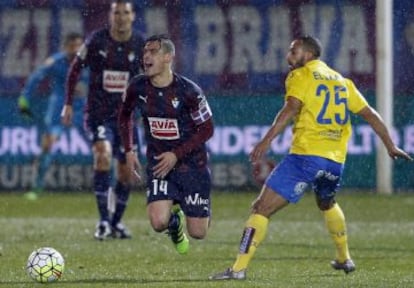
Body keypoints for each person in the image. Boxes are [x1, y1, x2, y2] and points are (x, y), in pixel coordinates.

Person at [209, 35, 413, 280]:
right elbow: (370, 114)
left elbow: (290, 108)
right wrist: (390, 145)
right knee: (326, 202)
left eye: (293, 51)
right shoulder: (341, 81)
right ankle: (344, 258)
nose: (289, 57)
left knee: (260, 208)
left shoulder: (301, 75)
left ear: (308, 54)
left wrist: (266, 140)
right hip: (335, 162)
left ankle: (238, 269)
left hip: (305, 157)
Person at [118, 34, 214, 255]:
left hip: (192, 164)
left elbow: (207, 129)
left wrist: (176, 154)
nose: (146, 57)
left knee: (199, 232)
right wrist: (129, 150)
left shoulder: (189, 91)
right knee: (158, 222)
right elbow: (124, 116)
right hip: (160, 163)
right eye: (145, 52)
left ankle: (193, 208)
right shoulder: (137, 87)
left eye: (153, 52)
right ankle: (174, 224)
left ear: (168, 57)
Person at [61, 0, 145, 240]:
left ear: (132, 16)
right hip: (99, 114)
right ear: (110, 16)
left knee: (127, 172)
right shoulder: (97, 40)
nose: (120, 17)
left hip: (127, 119)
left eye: (125, 12)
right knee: (103, 155)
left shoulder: (140, 44)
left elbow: (151, 78)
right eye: (116, 12)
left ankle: (116, 223)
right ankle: (103, 222)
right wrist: (67, 103)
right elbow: (75, 69)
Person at [17, 32, 87, 201]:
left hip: (82, 109)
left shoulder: (90, 62)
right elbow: (36, 77)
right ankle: (37, 187)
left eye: (78, 46)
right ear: (65, 47)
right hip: (59, 109)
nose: (75, 49)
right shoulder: (56, 62)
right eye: (72, 46)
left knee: (101, 146)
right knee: (47, 145)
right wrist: (25, 98)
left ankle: (110, 187)